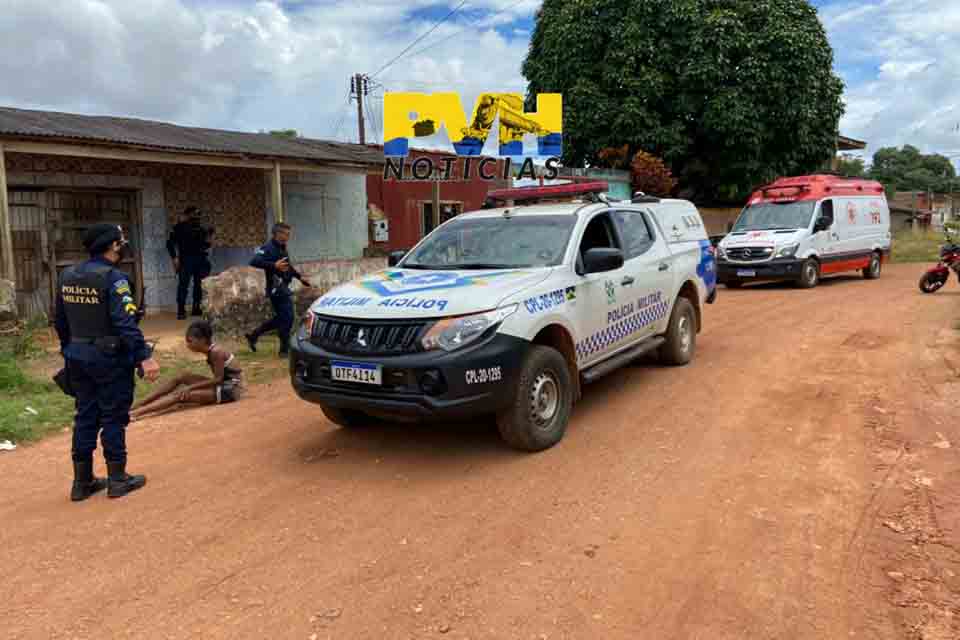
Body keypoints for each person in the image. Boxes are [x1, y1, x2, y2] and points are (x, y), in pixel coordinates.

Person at [54, 223, 161, 502]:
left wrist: (68, 350)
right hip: (109, 359)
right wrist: (145, 357)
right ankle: (117, 479)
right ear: (113, 246)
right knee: (113, 416)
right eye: (122, 241)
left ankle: (82, 483)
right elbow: (125, 323)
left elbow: (60, 320)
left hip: (77, 356)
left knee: (86, 415)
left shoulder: (67, 275)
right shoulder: (114, 279)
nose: (124, 244)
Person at [130, 321, 244, 421]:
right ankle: (140, 404)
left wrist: (190, 388)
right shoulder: (212, 351)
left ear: (202, 340)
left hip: (230, 390)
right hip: (223, 384)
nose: (187, 345)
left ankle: (135, 413)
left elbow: (218, 379)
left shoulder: (216, 352)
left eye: (190, 341)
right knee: (182, 377)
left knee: (181, 395)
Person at [245, 222, 311, 357]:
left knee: (282, 318)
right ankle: (284, 350)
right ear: (278, 234)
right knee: (288, 317)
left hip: (283, 287)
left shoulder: (283, 248)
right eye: (286, 234)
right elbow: (254, 261)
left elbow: (288, 266)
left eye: (289, 234)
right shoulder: (268, 247)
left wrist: (300, 277)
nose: (288, 236)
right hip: (275, 288)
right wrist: (273, 265)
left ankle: (254, 335)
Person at [167, 206, 213, 320]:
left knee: (199, 285)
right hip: (186, 259)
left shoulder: (201, 229)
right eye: (194, 214)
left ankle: (196, 308)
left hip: (200, 259)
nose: (196, 217)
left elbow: (205, 245)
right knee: (183, 285)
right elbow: (169, 244)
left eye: (197, 215)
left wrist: (209, 237)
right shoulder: (179, 228)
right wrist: (174, 258)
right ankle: (181, 310)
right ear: (187, 215)